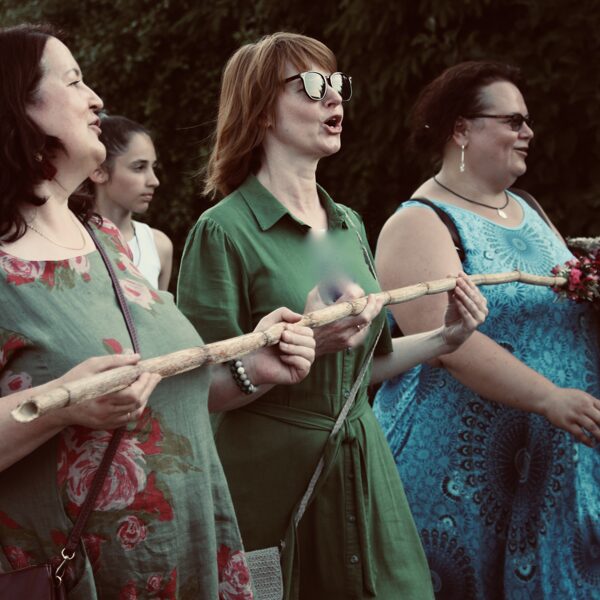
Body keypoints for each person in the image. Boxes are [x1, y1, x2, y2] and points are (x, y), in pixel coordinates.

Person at [0, 24, 316, 599]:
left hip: (187, 560)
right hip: (78, 578)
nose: (95, 99)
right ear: (15, 106)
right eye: (73, 81)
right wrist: (59, 406)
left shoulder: (103, 239)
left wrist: (255, 366)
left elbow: (160, 397)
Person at [177, 33, 489, 600]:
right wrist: (304, 346)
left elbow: (363, 369)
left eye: (337, 83)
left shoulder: (348, 223)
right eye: (312, 85)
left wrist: (446, 337)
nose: (334, 97)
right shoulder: (221, 231)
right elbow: (194, 391)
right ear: (261, 111)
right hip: (269, 483)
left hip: (364, 469)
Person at [372, 61, 600, 599]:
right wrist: (548, 398)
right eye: (513, 121)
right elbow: (448, 345)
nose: (528, 132)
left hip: (547, 466)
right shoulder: (419, 223)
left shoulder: (529, 209)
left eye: (527, 121)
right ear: (461, 129)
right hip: (460, 473)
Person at [91, 114, 173, 290]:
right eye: (139, 167)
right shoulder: (71, 242)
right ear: (99, 171)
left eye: (153, 167)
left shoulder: (159, 246)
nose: (154, 181)